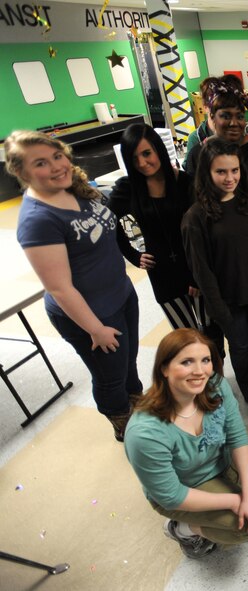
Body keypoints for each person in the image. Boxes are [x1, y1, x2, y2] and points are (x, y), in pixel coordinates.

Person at [8, 130, 141, 441]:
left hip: (120, 295)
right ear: (21, 172)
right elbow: (60, 289)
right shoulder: (38, 220)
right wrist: (95, 329)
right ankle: (124, 424)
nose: (56, 166)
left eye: (58, 156)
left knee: (129, 359)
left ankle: (140, 406)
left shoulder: (76, 188)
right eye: (41, 163)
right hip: (90, 315)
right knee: (110, 375)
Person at [124, 329, 248, 558]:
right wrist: (235, 500)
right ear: (164, 368)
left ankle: (224, 505)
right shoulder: (145, 433)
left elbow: (238, 438)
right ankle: (183, 530)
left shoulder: (214, 385)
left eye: (205, 360)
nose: (200, 371)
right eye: (187, 362)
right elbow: (172, 495)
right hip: (184, 487)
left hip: (220, 464)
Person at [109, 124, 223, 351]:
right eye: (134, 158)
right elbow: (108, 225)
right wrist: (133, 255)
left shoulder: (185, 182)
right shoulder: (127, 188)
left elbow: (204, 231)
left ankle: (217, 380)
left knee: (211, 332)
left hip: (195, 268)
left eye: (147, 153)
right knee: (185, 338)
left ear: (158, 149)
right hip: (162, 275)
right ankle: (199, 384)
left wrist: (197, 276)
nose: (142, 163)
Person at [181, 139, 248, 411]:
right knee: (242, 348)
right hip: (228, 298)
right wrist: (218, 308)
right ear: (207, 174)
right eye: (221, 172)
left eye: (234, 170)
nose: (229, 177)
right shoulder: (196, 217)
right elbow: (202, 270)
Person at [185, 82, 248, 184]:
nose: (233, 123)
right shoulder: (199, 155)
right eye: (226, 116)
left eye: (240, 116)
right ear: (212, 117)